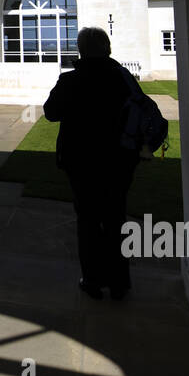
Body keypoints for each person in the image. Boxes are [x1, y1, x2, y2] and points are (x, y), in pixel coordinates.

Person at [43, 26, 148, 301]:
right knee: (115, 217)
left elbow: (50, 113)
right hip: (119, 159)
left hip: (82, 160)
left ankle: (92, 280)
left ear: (81, 50)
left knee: (88, 220)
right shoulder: (124, 79)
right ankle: (119, 282)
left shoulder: (71, 81)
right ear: (107, 47)